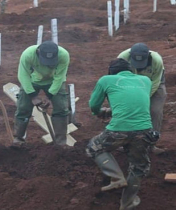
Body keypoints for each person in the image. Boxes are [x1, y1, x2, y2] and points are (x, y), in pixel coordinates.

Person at [86, 58, 159, 210]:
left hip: (119, 129)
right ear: (131, 70)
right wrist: (113, 110)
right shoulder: (145, 80)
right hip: (145, 130)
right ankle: (127, 204)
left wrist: (99, 112)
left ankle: (116, 177)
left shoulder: (106, 80)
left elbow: (93, 105)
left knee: (94, 146)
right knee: (138, 167)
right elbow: (133, 101)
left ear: (111, 71)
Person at [13, 40, 70, 147]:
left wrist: (50, 96)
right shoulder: (28, 54)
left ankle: (61, 143)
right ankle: (18, 139)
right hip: (32, 80)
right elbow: (23, 75)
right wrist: (32, 96)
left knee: (61, 108)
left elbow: (59, 77)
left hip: (54, 81)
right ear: (38, 52)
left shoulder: (64, 55)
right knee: (23, 108)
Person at [118, 43, 166, 154]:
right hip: (129, 84)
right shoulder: (122, 58)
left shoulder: (156, 60)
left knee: (155, 111)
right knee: (127, 110)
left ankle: (151, 145)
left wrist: (143, 98)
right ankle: (126, 142)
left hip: (154, 83)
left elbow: (155, 82)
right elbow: (119, 80)